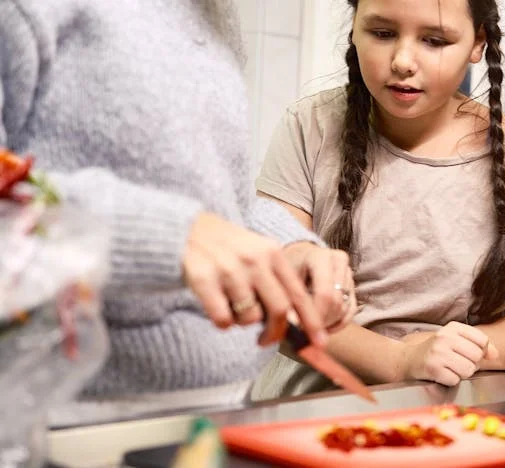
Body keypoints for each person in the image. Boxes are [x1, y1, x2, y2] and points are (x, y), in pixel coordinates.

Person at [0, 0, 357, 405]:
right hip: (55, 412)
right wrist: (167, 236)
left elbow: (217, 200)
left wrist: (285, 247)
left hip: (222, 401)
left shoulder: (214, 11)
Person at [254, 0, 505, 399]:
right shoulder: (307, 126)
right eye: (382, 33)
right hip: (308, 414)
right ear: (354, 27)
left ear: (477, 43)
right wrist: (398, 361)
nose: (402, 60)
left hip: (455, 422)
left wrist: (456, 351)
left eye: (434, 40)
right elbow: (272, 302)